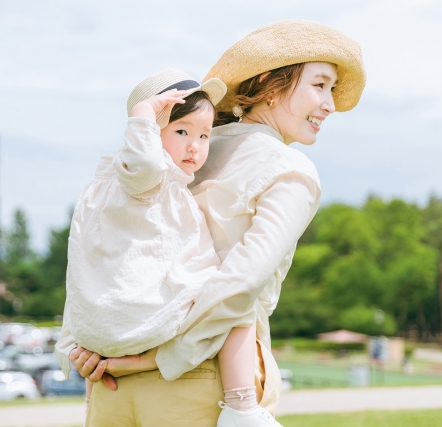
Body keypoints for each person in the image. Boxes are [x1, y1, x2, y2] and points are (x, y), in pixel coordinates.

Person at [60, 20, 366, 426]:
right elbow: (241, 282)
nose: (330, 105)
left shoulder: (176, 145)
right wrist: (156, 358)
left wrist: (84, 342)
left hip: (109, 376)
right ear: (272, 86)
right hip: (201, 376)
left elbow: (102, 242)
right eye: (320, 85)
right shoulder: (289, 171)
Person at [57, 68, 283, 426]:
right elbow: (144, 161)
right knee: (234, 298)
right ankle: (242, 408)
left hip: (108, 325)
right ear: (146, 135)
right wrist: (143, 116)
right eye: (181, 131)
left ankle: (91, 407)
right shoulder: (146, 177)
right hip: (150, 319)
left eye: (204, 135)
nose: (195, 146)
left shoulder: (103, 191)